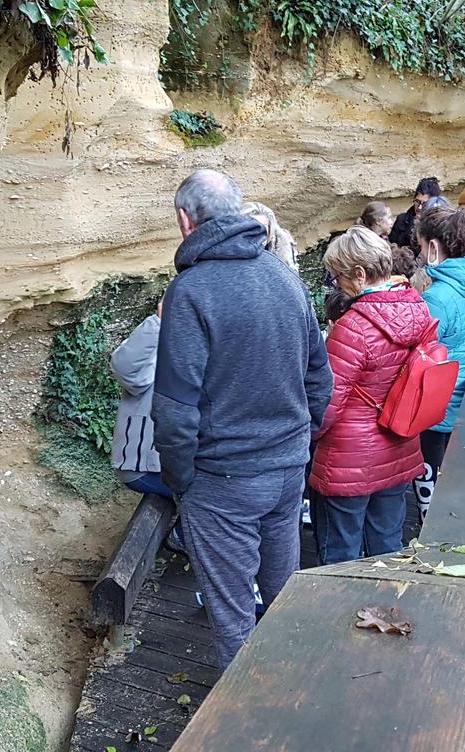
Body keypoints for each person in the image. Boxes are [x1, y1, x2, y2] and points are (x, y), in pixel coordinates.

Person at [151, 169, 333, 672]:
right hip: (286, 468)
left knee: (233, 615)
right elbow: (320, 376)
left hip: (223, 478)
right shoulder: (283, 277)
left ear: (186, 221)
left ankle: (245, 723)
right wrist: (301, 438)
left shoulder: (190, 292)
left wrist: (181, 479)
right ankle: (285, 693)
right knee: (281, 595)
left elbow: (174, 409)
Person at [308, 226, 432, 564]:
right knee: (388, 542)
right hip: (399, 442)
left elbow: (327, 405)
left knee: (341, 551)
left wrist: (307, 437)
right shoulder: (417, 307)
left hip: (349, 457)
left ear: (360, 274)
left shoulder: (352, 326)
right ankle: (385, 610)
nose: (336, 285)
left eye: (337, 277)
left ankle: (340, 614)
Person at [412, 205, 465, 522]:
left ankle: (431, 544)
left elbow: (416, 350)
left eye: (421, 246)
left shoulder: (440, 296)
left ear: (434, 247)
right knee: (452, 482)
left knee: (428, 486)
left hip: (434, 408)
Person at [110, 298, 186, 549]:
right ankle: (183, 539)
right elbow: (125, 368)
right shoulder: (157, 343)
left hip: (177, 465)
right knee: (217, 493)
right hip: (145, 467)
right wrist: (160, 321)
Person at [389, 177, 441, 254]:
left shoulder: (440, 224)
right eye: (417, 201)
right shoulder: (402, 220)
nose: (420, 207)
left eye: (424, 203)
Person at [241, 201, 299, 272]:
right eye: (252, 228)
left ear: (270, 228)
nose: (258, 233)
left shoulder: (283, 245)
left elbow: (290, 277)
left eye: (263, 227)